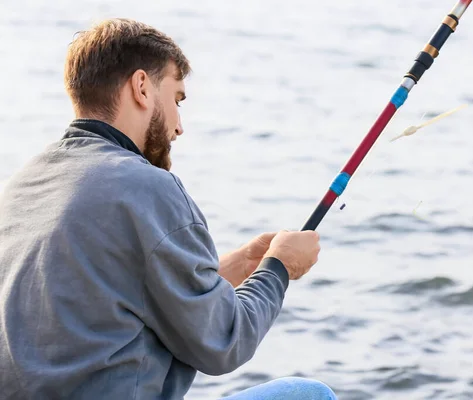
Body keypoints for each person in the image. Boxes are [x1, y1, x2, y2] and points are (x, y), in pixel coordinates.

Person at [0, 18, 337, 400]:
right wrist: (279, 268)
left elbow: (116, 299)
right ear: (142, 87)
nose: (179, 127)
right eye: (176, 99)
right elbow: (225, 341)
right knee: (308, 394)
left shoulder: (25, 184)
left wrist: (244, 263)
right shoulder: (146, 186)